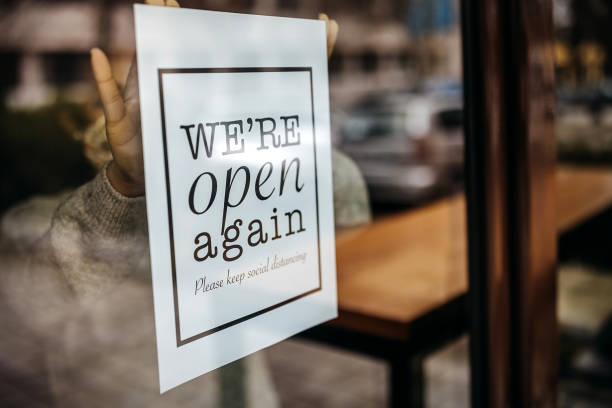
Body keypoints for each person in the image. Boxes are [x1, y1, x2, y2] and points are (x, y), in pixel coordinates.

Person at [0, 1, 368, 406]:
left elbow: (349, 208)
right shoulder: (51, 216)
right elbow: (38, 295)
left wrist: (289, 123)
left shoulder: (222, 192)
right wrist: (123, 186)